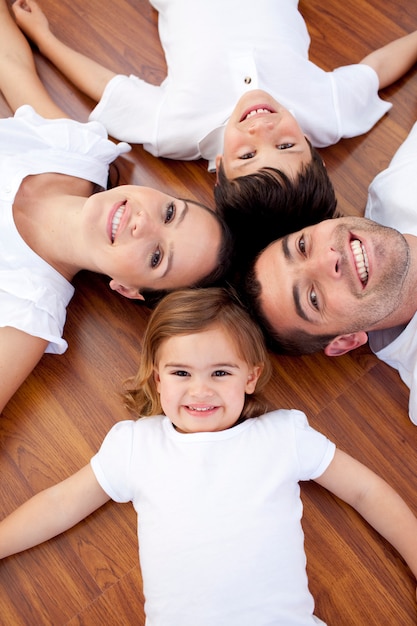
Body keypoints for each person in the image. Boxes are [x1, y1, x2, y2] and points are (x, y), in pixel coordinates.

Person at [1, 287, 417, 626]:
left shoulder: (283, 434)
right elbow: (59, 505)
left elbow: (365, 491)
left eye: (220, 372)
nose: (200, 391)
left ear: (250, 377)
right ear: (157, 378)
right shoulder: (135, 445)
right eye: (182, 373)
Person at [12, 0, 417, 261]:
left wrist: (45, 39)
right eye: (287, 144)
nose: (262, 127)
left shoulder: (175, 130)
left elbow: (109, 88)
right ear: (312, 147)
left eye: (247, 155)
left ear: (219, 163)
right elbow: (377, 70)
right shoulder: (328, 114)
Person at [0, 0, 231, 414]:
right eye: (169, 213)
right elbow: (11, 67)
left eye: (158, 256)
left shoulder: (29, 310)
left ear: (127, 289)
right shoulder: (75, 150)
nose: (144, 224)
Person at [243, 122, 417, 424]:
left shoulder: (396, 188)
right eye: (312, 297)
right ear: (346, 341)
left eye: (301, 245)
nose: (328, 260)